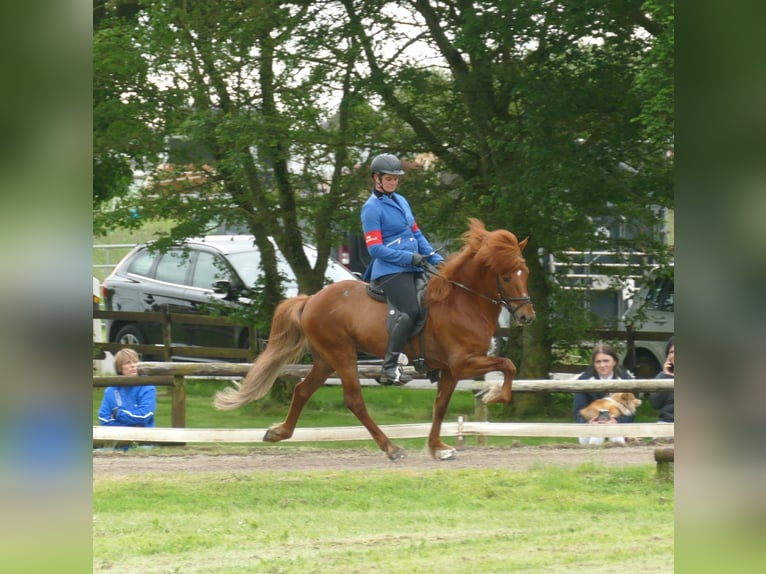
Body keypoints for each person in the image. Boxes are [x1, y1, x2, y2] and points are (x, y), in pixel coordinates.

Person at [361, 153, 445, 385]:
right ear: (376, 178)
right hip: (390, 270)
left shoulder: (402, 201)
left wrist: (436, 259)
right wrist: (409, 257)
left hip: (415, 265)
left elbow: (416, 234)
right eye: (389, 179)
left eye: (396, 179)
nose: (393, 183)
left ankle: (431, 359)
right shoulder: (371, 209)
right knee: (411, 310)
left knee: (437, 301)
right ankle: (389, 367)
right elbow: (375, 249)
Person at [573, 343, 635, 445]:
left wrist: (616, 421)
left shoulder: (626, 379)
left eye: (606, 361)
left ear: (614, 361)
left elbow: (631, 412)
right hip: (590, 426)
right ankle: (592, 459)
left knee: (615, 434)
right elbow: (578, 411)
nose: (602, 365)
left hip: (618, 426)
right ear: (594, 364)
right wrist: (589, 423)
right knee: (597, 434)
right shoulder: (584, 380)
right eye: (598, 362)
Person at [98, 349, 156, 428]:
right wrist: (132, 425)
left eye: (135, 362)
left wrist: (117, 414)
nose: (133, 365)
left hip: (143, 436)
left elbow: (144, 416)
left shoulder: (147, 386)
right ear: (119, 368)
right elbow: (104, 420)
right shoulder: (110, 390)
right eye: (128, 363)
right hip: (116, 437)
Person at [649, 337, 674, 423]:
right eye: (672, 352)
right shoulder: (662, 376)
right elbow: (655, 404)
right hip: (666, 421)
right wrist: (667, 376)